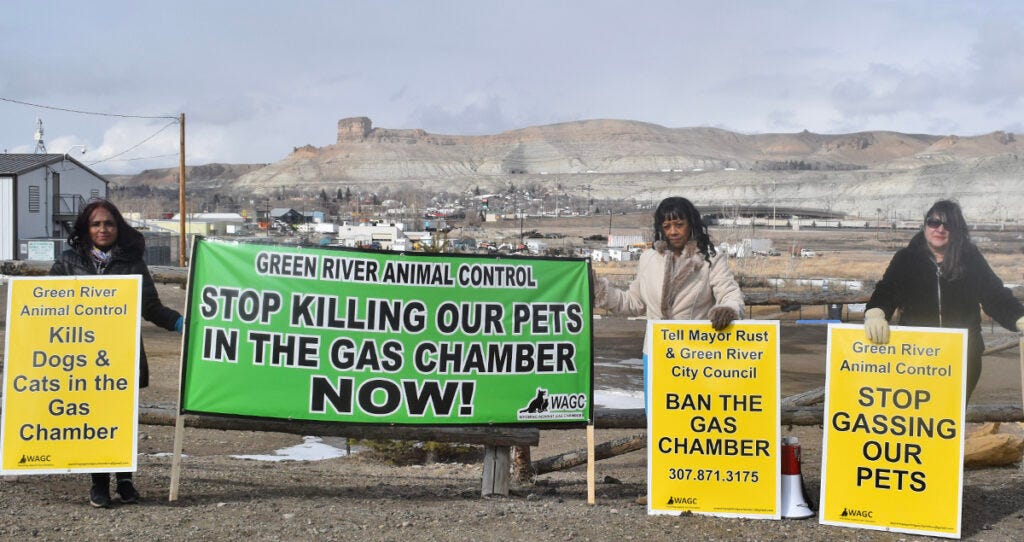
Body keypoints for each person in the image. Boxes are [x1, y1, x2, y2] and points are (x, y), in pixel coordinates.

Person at [49, 199, 183, 508]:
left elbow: (150, 306)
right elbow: (49, 304)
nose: (103, 229)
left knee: (122, 420)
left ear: (117, 227)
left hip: (122, 355)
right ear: (86, 228)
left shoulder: (133, 264)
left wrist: (178, 322)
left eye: (108, 223)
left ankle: (124, 481)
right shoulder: (68, 262)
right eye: (96, 224)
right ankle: (98, 484)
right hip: (82, 357)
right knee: (93, 419)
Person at [864, 199, 1024, 402]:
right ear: (925, 226)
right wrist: (875, 312)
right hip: (915, 358)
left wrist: (1019, 318)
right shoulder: (906, 258)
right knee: (917, 419)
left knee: (951, 420)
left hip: (962, 357)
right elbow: (887, 290)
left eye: (948, 224)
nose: (940, 229)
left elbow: (994, 295)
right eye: (934, 222)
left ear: (957, 230)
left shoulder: (970, 258)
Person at [594, 196, 745, 326]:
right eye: (667, 226)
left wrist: (727, 311)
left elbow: (730, 295)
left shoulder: (710, 261)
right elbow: (634, 303)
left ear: (691, 225)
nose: (673, 231)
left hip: (695, 351)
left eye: (679, 225)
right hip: (655, 352)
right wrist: (599, 290)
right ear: (661, 229)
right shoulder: (648, 259)